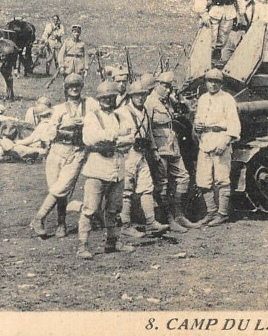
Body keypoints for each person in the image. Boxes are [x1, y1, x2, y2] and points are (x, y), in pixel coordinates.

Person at [30, 74, 98, 238]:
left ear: (81, 87)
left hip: (77, 152)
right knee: (57, 190)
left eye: (77, 85)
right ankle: (61, 223)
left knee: (61, 188)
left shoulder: (90, 104)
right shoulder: (59, 109)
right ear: (66, 89)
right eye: (71, 86)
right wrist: (64, 125)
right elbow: (48, 133)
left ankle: (38, 219)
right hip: (57, 151)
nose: (74, 89)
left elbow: (101, 114)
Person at [76, 81, 136, 259]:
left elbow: (131, 137)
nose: (108, 101)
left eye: (111, 97)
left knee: (114, 209)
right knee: (90, 208)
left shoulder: (120, 116)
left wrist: (114, 139)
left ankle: (112, 241)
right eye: (104, 98)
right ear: (98, 99)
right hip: (97, 168)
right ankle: (82, 245)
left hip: (117, 168)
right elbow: (91, 139)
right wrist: (117, 136)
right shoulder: (92, 117)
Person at [145, 71, 198, 232]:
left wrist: (179, 99)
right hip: (160, 148)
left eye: (170, 87)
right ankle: (169, 219)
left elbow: (185, 111)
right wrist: (153, 149)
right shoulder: (150, 102)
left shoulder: (167, 101)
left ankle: (180, 215)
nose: (168, 90)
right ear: (157, 84)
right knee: (162, 184)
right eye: (165, 86)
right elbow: (147, 129)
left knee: (184, 178)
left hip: (172, 146)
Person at [116, 81, 169, 238]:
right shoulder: (121, 112)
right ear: (131, 96)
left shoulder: (145, 111)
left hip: (142, 154)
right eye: (136, 95)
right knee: (127, 190)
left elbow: (149, 133)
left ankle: (151, 222)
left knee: (147, 187)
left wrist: (154, 150)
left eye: (143, 95)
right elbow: (114, 135)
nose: (140, 98)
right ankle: (126, 225)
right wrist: (127, 140)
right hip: (127, 154)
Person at [193, 69, 241, 227]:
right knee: (203, 179)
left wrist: (225, 141)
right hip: (205, 141)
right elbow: (198, 119)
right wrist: (197, 126)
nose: (213, 84)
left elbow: (234, 124)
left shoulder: (227, 99)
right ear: (206, 82)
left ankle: (222, 213)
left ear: (221, 84)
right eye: (210, 81)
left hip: (220, 139)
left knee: (222, 179)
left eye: (217, 82)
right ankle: (211, 212)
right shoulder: (202, 99)